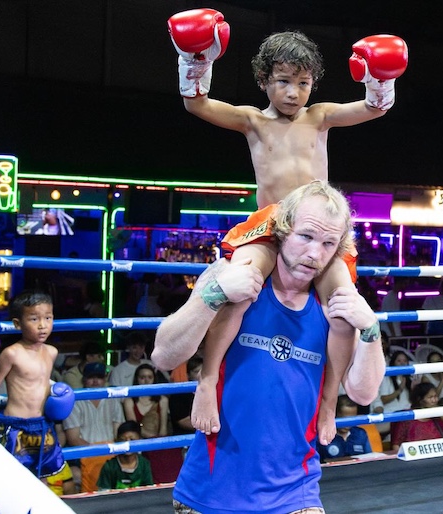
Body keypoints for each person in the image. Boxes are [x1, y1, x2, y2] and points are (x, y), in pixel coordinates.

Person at [167, 8, 407, 445]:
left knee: (344, 307)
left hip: (319, 229)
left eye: (302, 82)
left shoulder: (321, 117)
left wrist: (381, 77)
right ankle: (206, 383)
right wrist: (195, 60)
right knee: (237, 287)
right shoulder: (253, 121)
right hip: (272, 224)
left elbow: (374, 108)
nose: (294, 92)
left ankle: (330, 403)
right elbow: (196, 103)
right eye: (283, 81)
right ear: (264, 81)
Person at [152, 181, 385, 513]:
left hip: (294, 494)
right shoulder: (234, 276)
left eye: (328, 243)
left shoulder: (333, 305)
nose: (314, 254)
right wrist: (213, 294)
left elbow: (363, 395)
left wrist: (371, 330)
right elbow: (163, 355)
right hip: (210, 494)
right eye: (306, 236)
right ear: (283, 230)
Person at [0, 291, 74, 513]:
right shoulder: (11, 354)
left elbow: (42, 384)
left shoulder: (52, 352)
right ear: (18, 323)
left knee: (42, 484)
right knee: (6, 491)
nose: (42, 325)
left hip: (42, 425)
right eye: (34, 318)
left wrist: (57, 398)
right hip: (15, 428)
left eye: (48, 317)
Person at [63, 362, 126, 493]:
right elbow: (73, 439)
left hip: (110, 452)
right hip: (83, 454)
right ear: (84, 379)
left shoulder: (112, 398)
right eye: (91, 377)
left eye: (99, 377)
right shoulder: (75, 401)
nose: (96, 381)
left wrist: (109, 451)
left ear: (105, 379)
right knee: (74, 474)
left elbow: (118, 432)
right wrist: (98, 452)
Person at [390, 382, 443, 450]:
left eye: (435, 396)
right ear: (420, 399)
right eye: (430, 397)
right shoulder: (407, 417)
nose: (434, 400)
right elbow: (396, 445)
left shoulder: (439, 417)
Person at [97, 421, 154, 491]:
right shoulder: (109, 466)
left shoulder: (144, 464)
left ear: (139, 441)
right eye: (123, 440)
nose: (127, 444)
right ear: (116, 441)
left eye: (132, 440)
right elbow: (103, 495)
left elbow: (149, 492)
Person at [317, 395, 372, 462]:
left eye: (352, 419)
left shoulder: (360, 434)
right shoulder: (324, 435)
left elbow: (369, 460)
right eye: (344, 419)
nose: (347, 425)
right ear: (335, 415)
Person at [371, 350, 413, 438]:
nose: (402, 363)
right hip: (392, 416)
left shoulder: (409, 379)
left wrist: (414, 389)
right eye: (399, 361)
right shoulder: (387, 377)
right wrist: (399, 390)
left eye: (405, 361)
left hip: (407, 415)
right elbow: (384, 400)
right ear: (393, 363)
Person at [169, 356, 202, 436]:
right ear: (188, 375)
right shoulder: (179, 395)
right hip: (185, 439)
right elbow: (183, 421)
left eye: (203, 371)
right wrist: (208, 424)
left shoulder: (214, 392)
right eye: (196, 371)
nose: (200, 375)